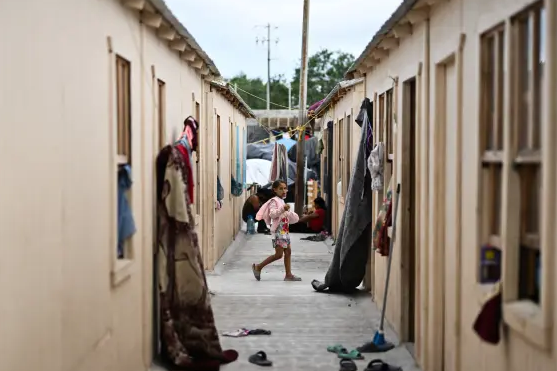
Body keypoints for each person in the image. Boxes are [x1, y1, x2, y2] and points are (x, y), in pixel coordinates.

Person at [252, 180, 301, 282]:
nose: (284, 190)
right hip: (279, 231)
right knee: (279, 255)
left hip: (284, 231)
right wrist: (283, 209)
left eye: (285, 188)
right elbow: (272, 214)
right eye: (281, 188)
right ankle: (258, 267)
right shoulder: (274, 201)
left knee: (288, 251)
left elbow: (284, 214)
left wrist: (289, 213)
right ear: (274, 190)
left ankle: (288, 275)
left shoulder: (281, 200)